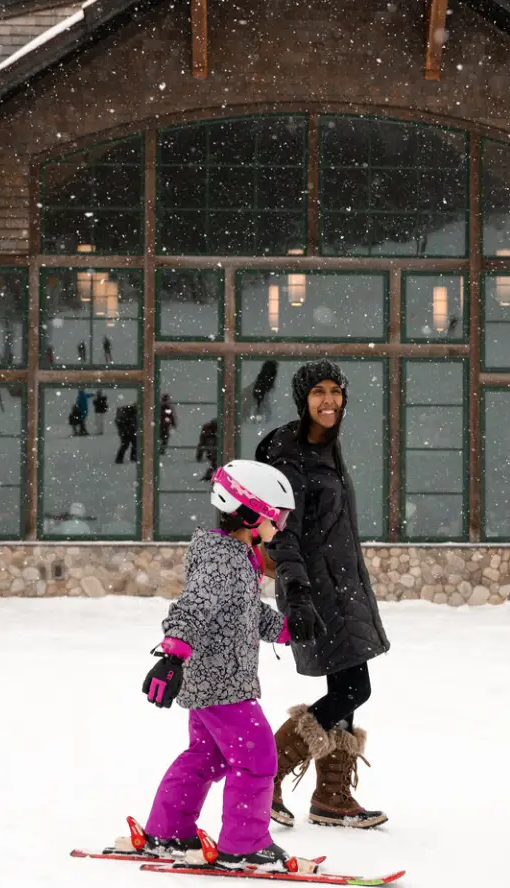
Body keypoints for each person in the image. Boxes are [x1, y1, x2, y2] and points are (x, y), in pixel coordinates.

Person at [129, 460, 313, 875]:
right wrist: (171, 657)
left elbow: (243, 613)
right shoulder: (223, 561)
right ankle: (244, 845)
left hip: (214, 677)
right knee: (258, 756)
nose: (280, 527)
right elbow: (193, 608)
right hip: (222, 682)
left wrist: (287, 629)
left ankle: (169, 831)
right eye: (277, 516)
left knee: (206, 756)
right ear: (250, 513)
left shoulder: (232, 555)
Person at [257, 360, 389, 830]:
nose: (329, 400)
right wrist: (296, 592)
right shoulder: (289, 456)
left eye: (336, 390)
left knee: (345, 691)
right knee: (355, 687)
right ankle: (263, 775)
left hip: (342, 586)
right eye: (318, 392)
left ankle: (332, 796)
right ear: (302, 399)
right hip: (314, 590)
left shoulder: (327, 448)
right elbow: (282, 535)